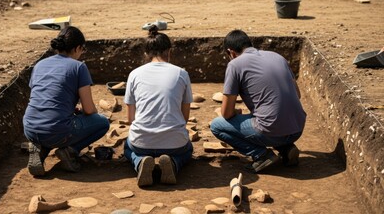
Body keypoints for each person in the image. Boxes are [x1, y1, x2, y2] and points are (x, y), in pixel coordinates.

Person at [210, 29, 306, 173]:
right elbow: (297, 94)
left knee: (217, 125)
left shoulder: (235, 64)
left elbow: (226, 113)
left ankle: (262, 155)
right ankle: (286, 149)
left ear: (231, 52)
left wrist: (235, 113)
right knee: (265, 117)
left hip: (272, 130)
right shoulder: (277, 56)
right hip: (297, 128)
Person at [23, 26, 110, 176]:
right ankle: (70, 151)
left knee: (53, 125)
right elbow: (89, 109)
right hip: (58, 131)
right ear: (77, 48)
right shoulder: (78, 67)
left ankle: (41, 150)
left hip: (30, 128)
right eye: (82, 50)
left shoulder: (40, 65)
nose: (82, 54)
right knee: (102, 123)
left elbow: (44, 98)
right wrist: (88, 113)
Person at [123, 25, 193, 187]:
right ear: (169, 51)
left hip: (141, 143)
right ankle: (173, 163)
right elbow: (185, 117)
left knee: (127, 148)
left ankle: (140, 162)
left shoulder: (134, 74)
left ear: (146, 53)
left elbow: (130, 119)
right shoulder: (181, 73)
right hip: (174, 144)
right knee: (188, 149)